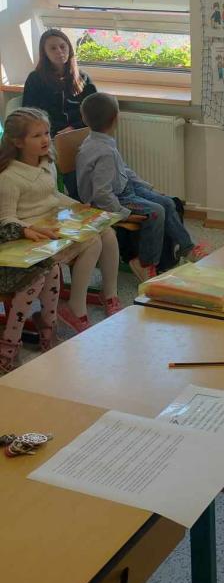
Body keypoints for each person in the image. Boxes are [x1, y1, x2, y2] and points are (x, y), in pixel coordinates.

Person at [0, 108, 121, 334]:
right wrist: (28, 229)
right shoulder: (8, 177)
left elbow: (53, 196)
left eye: (47, 133)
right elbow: (6, 219)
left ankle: (109, 295)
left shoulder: (47, 162)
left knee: (108, 232)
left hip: (53, 222)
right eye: (37, 136)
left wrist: (78, 207)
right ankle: (75, 308)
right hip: (31, 238)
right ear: (17, 142)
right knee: (93, 241)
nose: (45, 139)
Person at [76, 93, 208, 280]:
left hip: (124, 188)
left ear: (84, 118)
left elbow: (123, 170)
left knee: (168, 202)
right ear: (116, 118)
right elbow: (101, 193)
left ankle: (187, 248)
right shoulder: (103, 151)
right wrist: (122, 213)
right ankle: (145, 263)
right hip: (115, 198)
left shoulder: (101, 142)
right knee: (156, 212)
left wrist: (147, 188)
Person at [0, 222, 61, 374]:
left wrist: (23, 230)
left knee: (52, 267)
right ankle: (9, 344)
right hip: (5, 262)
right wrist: (21, 231)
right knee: (35, 279)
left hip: (8, 254)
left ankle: (48, 328)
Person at [22, 29, 97, 136]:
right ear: (45, 53)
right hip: (47, 135)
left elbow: (94, 111)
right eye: (53, 48)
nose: (59, 51)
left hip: (79, 132)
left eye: (62, 46)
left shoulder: (82, 78)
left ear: (69, 48)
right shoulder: (35, 79)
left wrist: (74, 128)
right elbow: (29, 113)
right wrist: (50, 133)